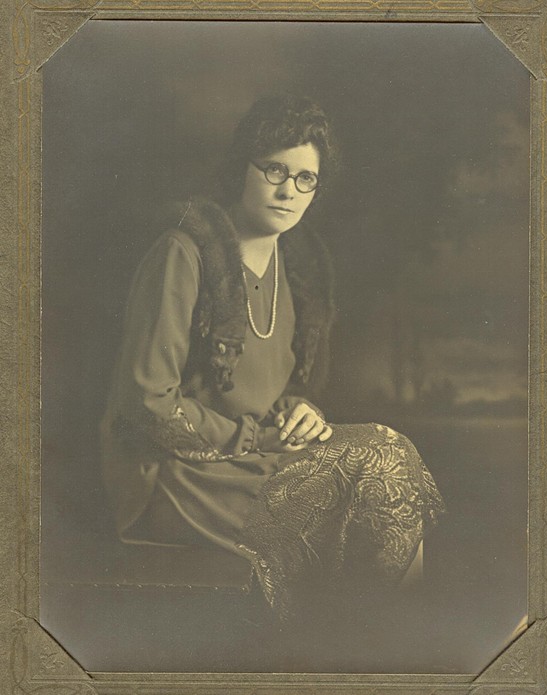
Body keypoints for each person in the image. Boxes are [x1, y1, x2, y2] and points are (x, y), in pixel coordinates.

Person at [100, 94, 445, 620]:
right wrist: (256, 438)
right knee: (378, 466)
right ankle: (398, 645)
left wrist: (298, 414)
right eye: (274, 170)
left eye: (306, 178)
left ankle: (392, 646)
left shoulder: (299, 268)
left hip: (255, 458)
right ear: (243, 167)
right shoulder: (184, 253)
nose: (288, 190)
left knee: (389, 457)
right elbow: (146, 406)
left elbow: (272, 389)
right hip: (176, 476)